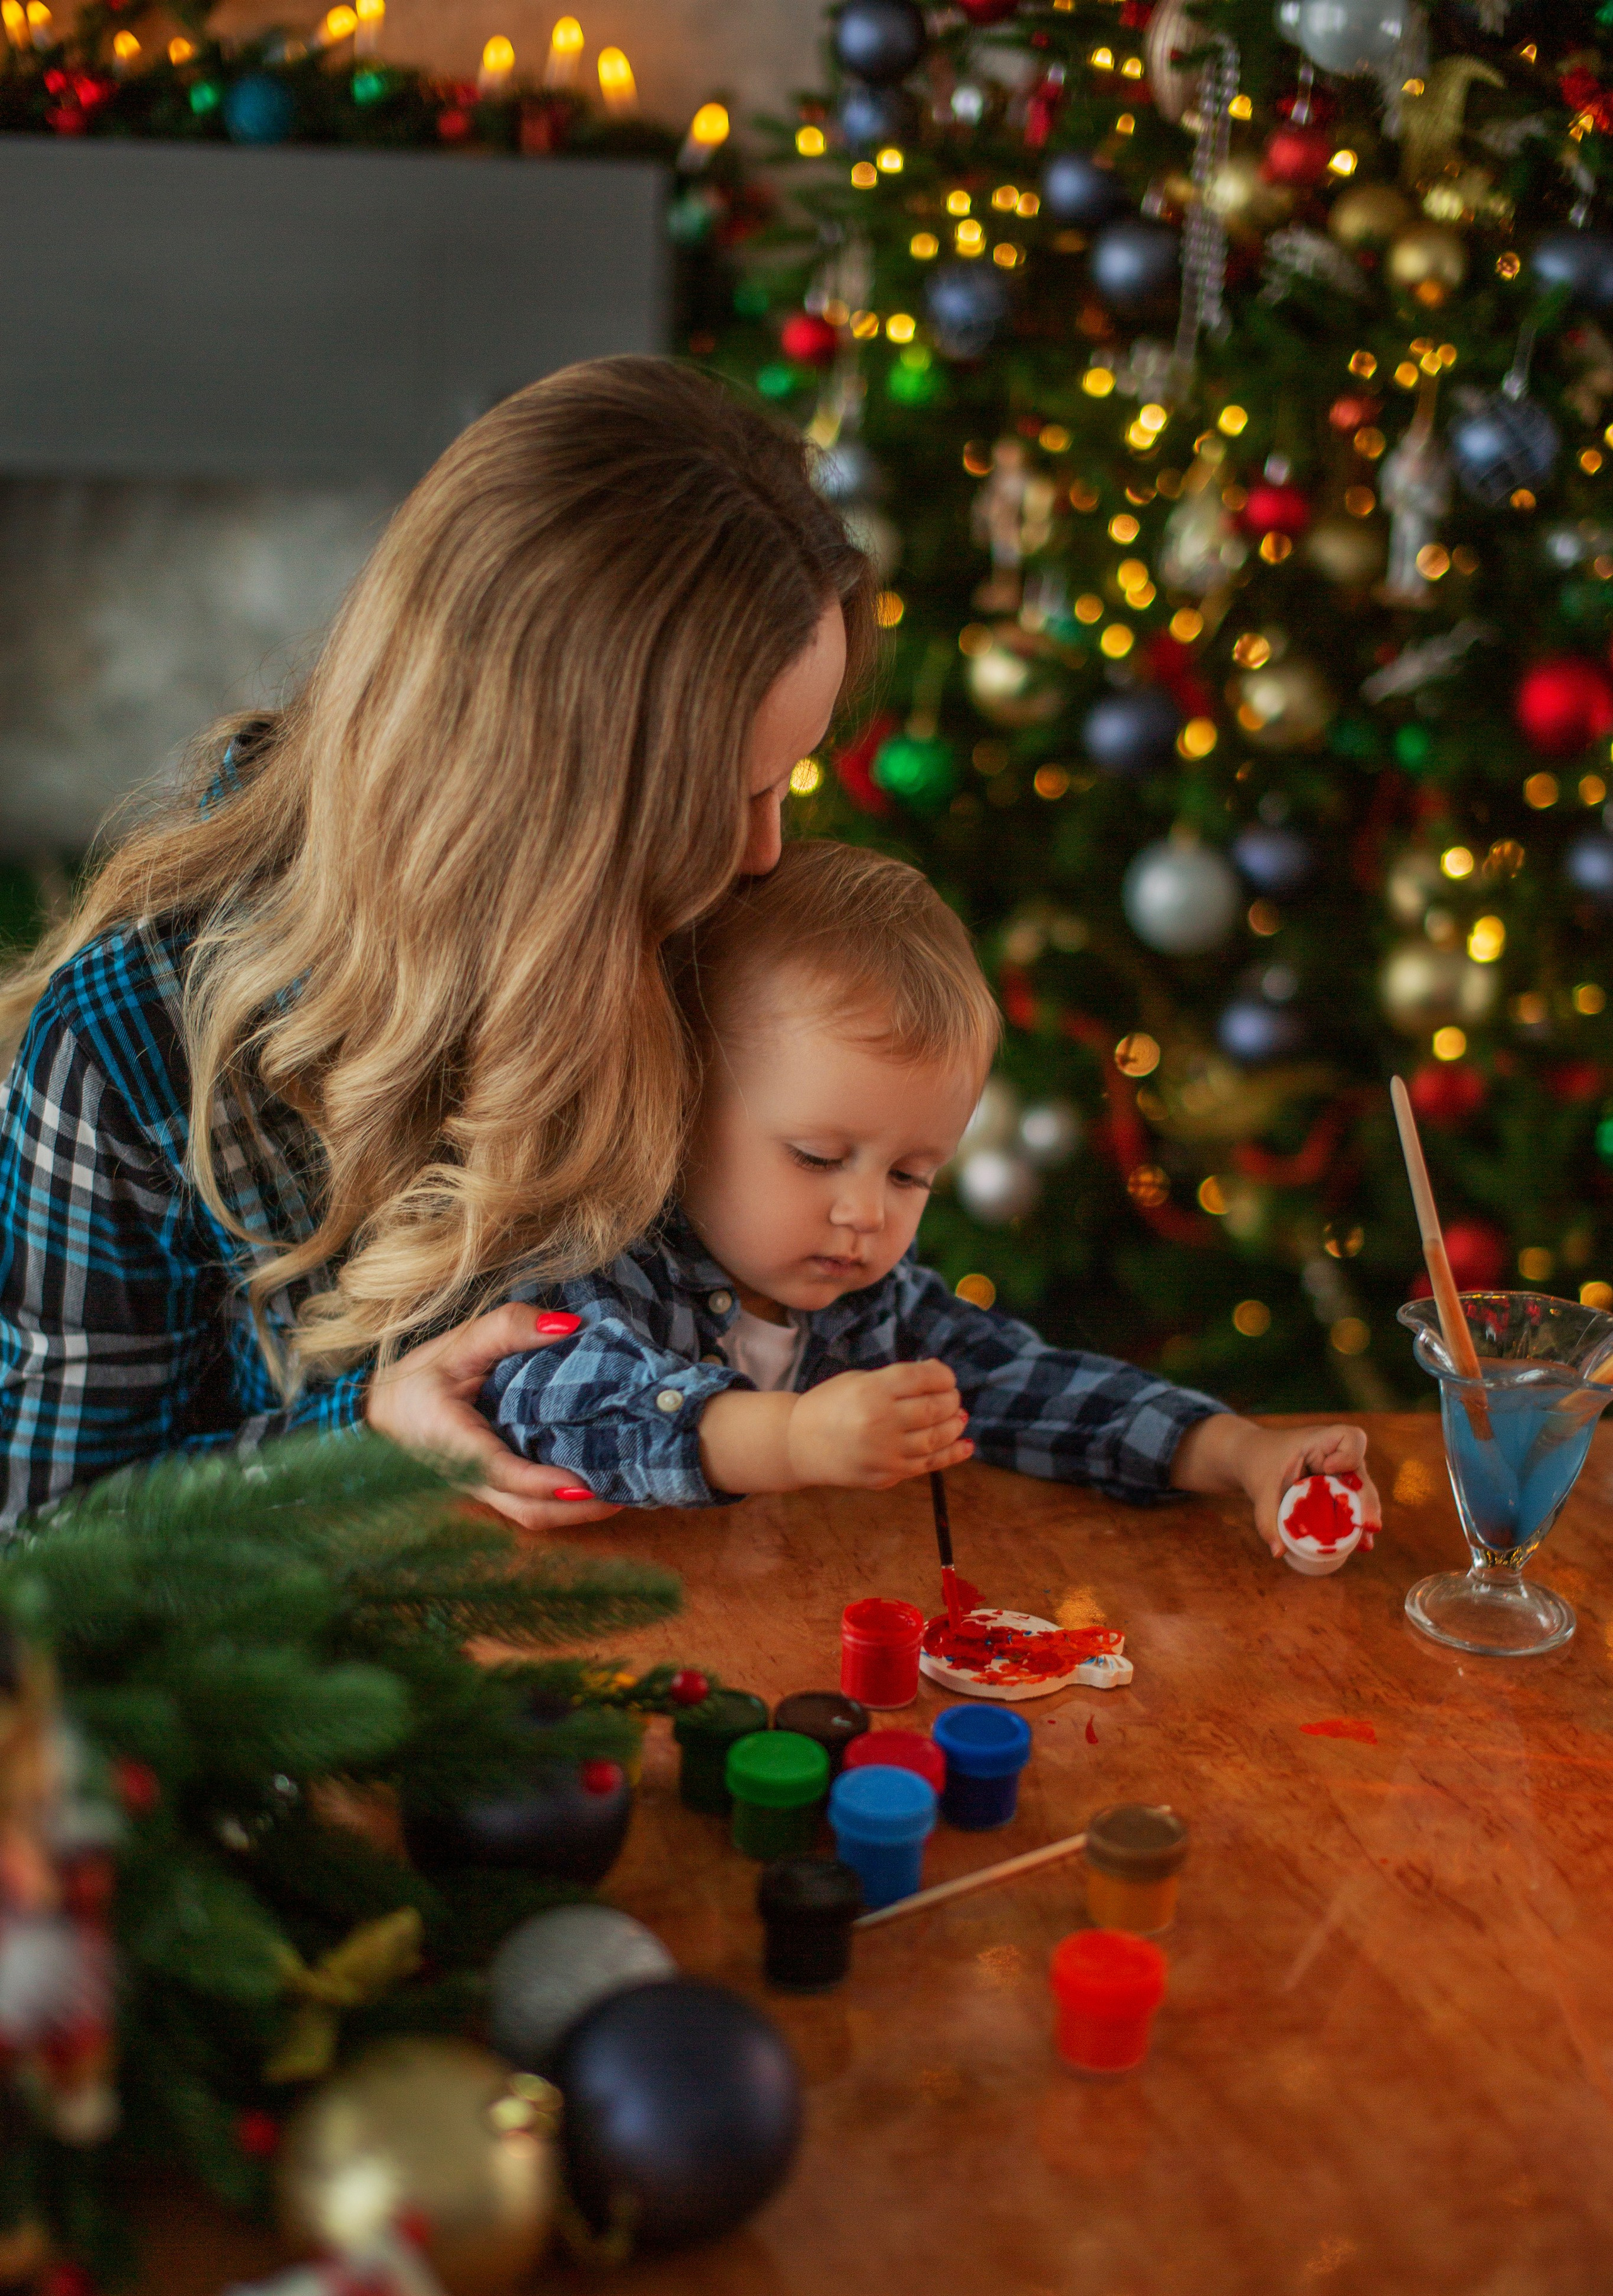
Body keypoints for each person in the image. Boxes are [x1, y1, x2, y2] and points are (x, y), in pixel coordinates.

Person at [0, 360, 876, 1529]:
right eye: (730, 794)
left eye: (788, 782)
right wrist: (365, 1439)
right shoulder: (130, 1048)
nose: (767, 853)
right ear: (542, 804)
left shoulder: (705, 936)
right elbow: (51, 1546)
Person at [482, 843, 1382, 1555]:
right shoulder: (603, 1259)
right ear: (679, 1106)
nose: (868, 1213)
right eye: (818, 1156)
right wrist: (793, 1440)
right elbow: (556, 1410)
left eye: (911, 1175)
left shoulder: (878, 1306)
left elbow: (1027, 1387)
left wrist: (1237, 1452)